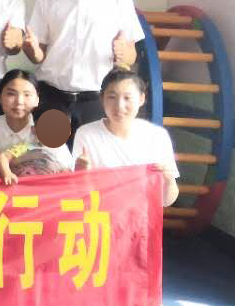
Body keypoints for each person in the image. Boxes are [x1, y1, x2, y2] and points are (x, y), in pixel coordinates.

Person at [23, 0, 144, 136]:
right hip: (52, 97)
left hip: (97, 99)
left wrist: (123, 53)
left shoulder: (119, 0)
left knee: (91, 154)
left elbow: (131, 55)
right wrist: (31, 49)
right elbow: (38, 56)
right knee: (49, 155)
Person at [72, 69, 181, 207]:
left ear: (141, 99)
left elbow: (166, 201)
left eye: (127, 98)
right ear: (102, 99)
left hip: (140, 217)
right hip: (99, 216)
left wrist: (168, 179)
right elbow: (79, 196)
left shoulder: (157, 136)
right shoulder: (86, 134)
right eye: (112, 97)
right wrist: (81, 176)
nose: (119, 106)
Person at [0, 69, 73, 184]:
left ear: (37, 99)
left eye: (27, 95)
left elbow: (69, 174)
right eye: (11, 94)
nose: (19, 101)